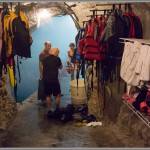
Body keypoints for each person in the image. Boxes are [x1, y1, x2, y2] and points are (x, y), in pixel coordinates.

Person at [42, 47, 63, 116]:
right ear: (56, 52)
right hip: (54, 80)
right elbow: (61, 67)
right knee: (57, 95)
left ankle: (49, 110)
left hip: (46, 79)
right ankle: (57, 109)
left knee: (48, 95)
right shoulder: (57, 59)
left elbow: (43, 66)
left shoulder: (44, 58)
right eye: (58, 53)